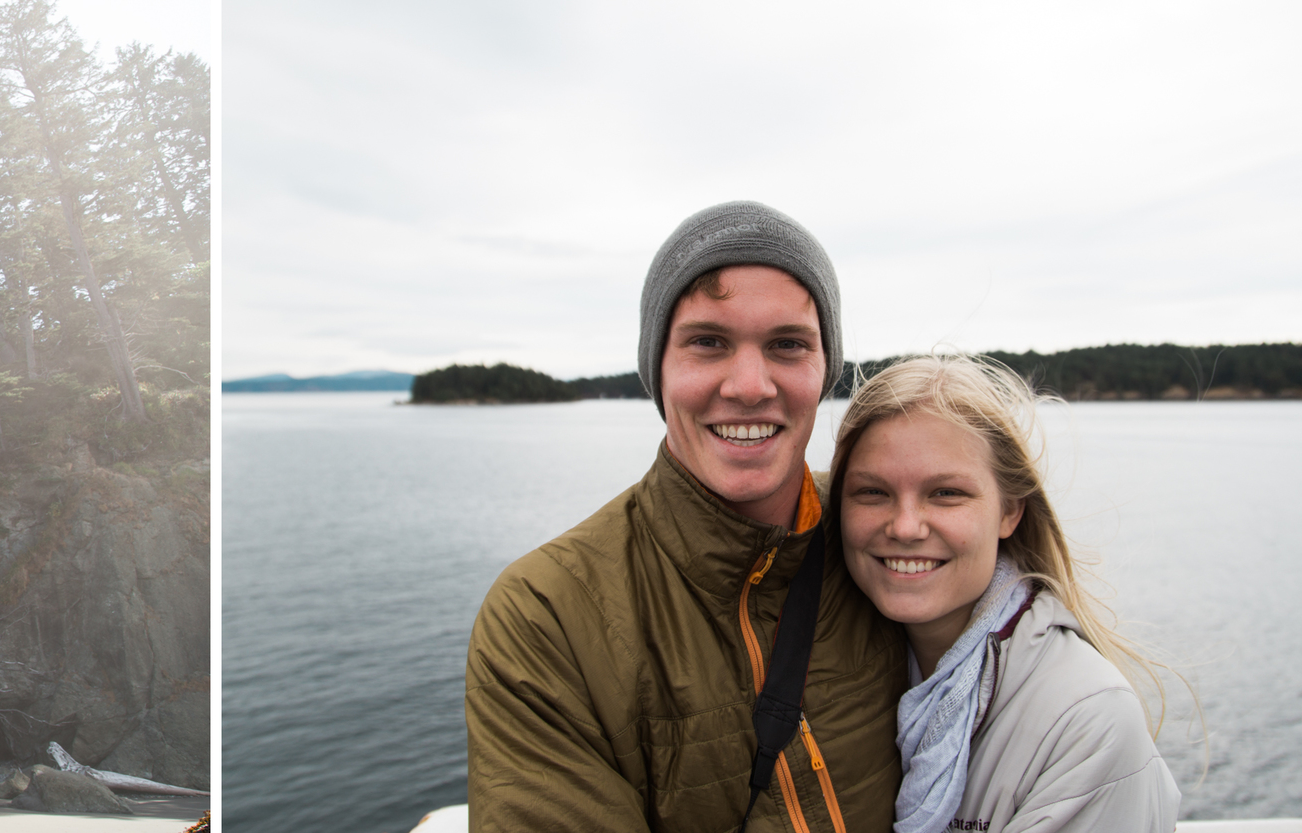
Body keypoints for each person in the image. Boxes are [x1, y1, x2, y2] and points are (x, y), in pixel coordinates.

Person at [466, 201, 907, 832]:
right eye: (708, 342)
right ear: (659, 370)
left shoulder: (886, 542)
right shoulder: (548, 615)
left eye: (787, 345)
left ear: (823, 372)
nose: (750, 385)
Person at [830, 355, 1180, 833]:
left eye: (946, 493)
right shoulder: (834, 671)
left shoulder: (1086, 721)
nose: (906, 526)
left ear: (1009, 512)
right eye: (872, 493)